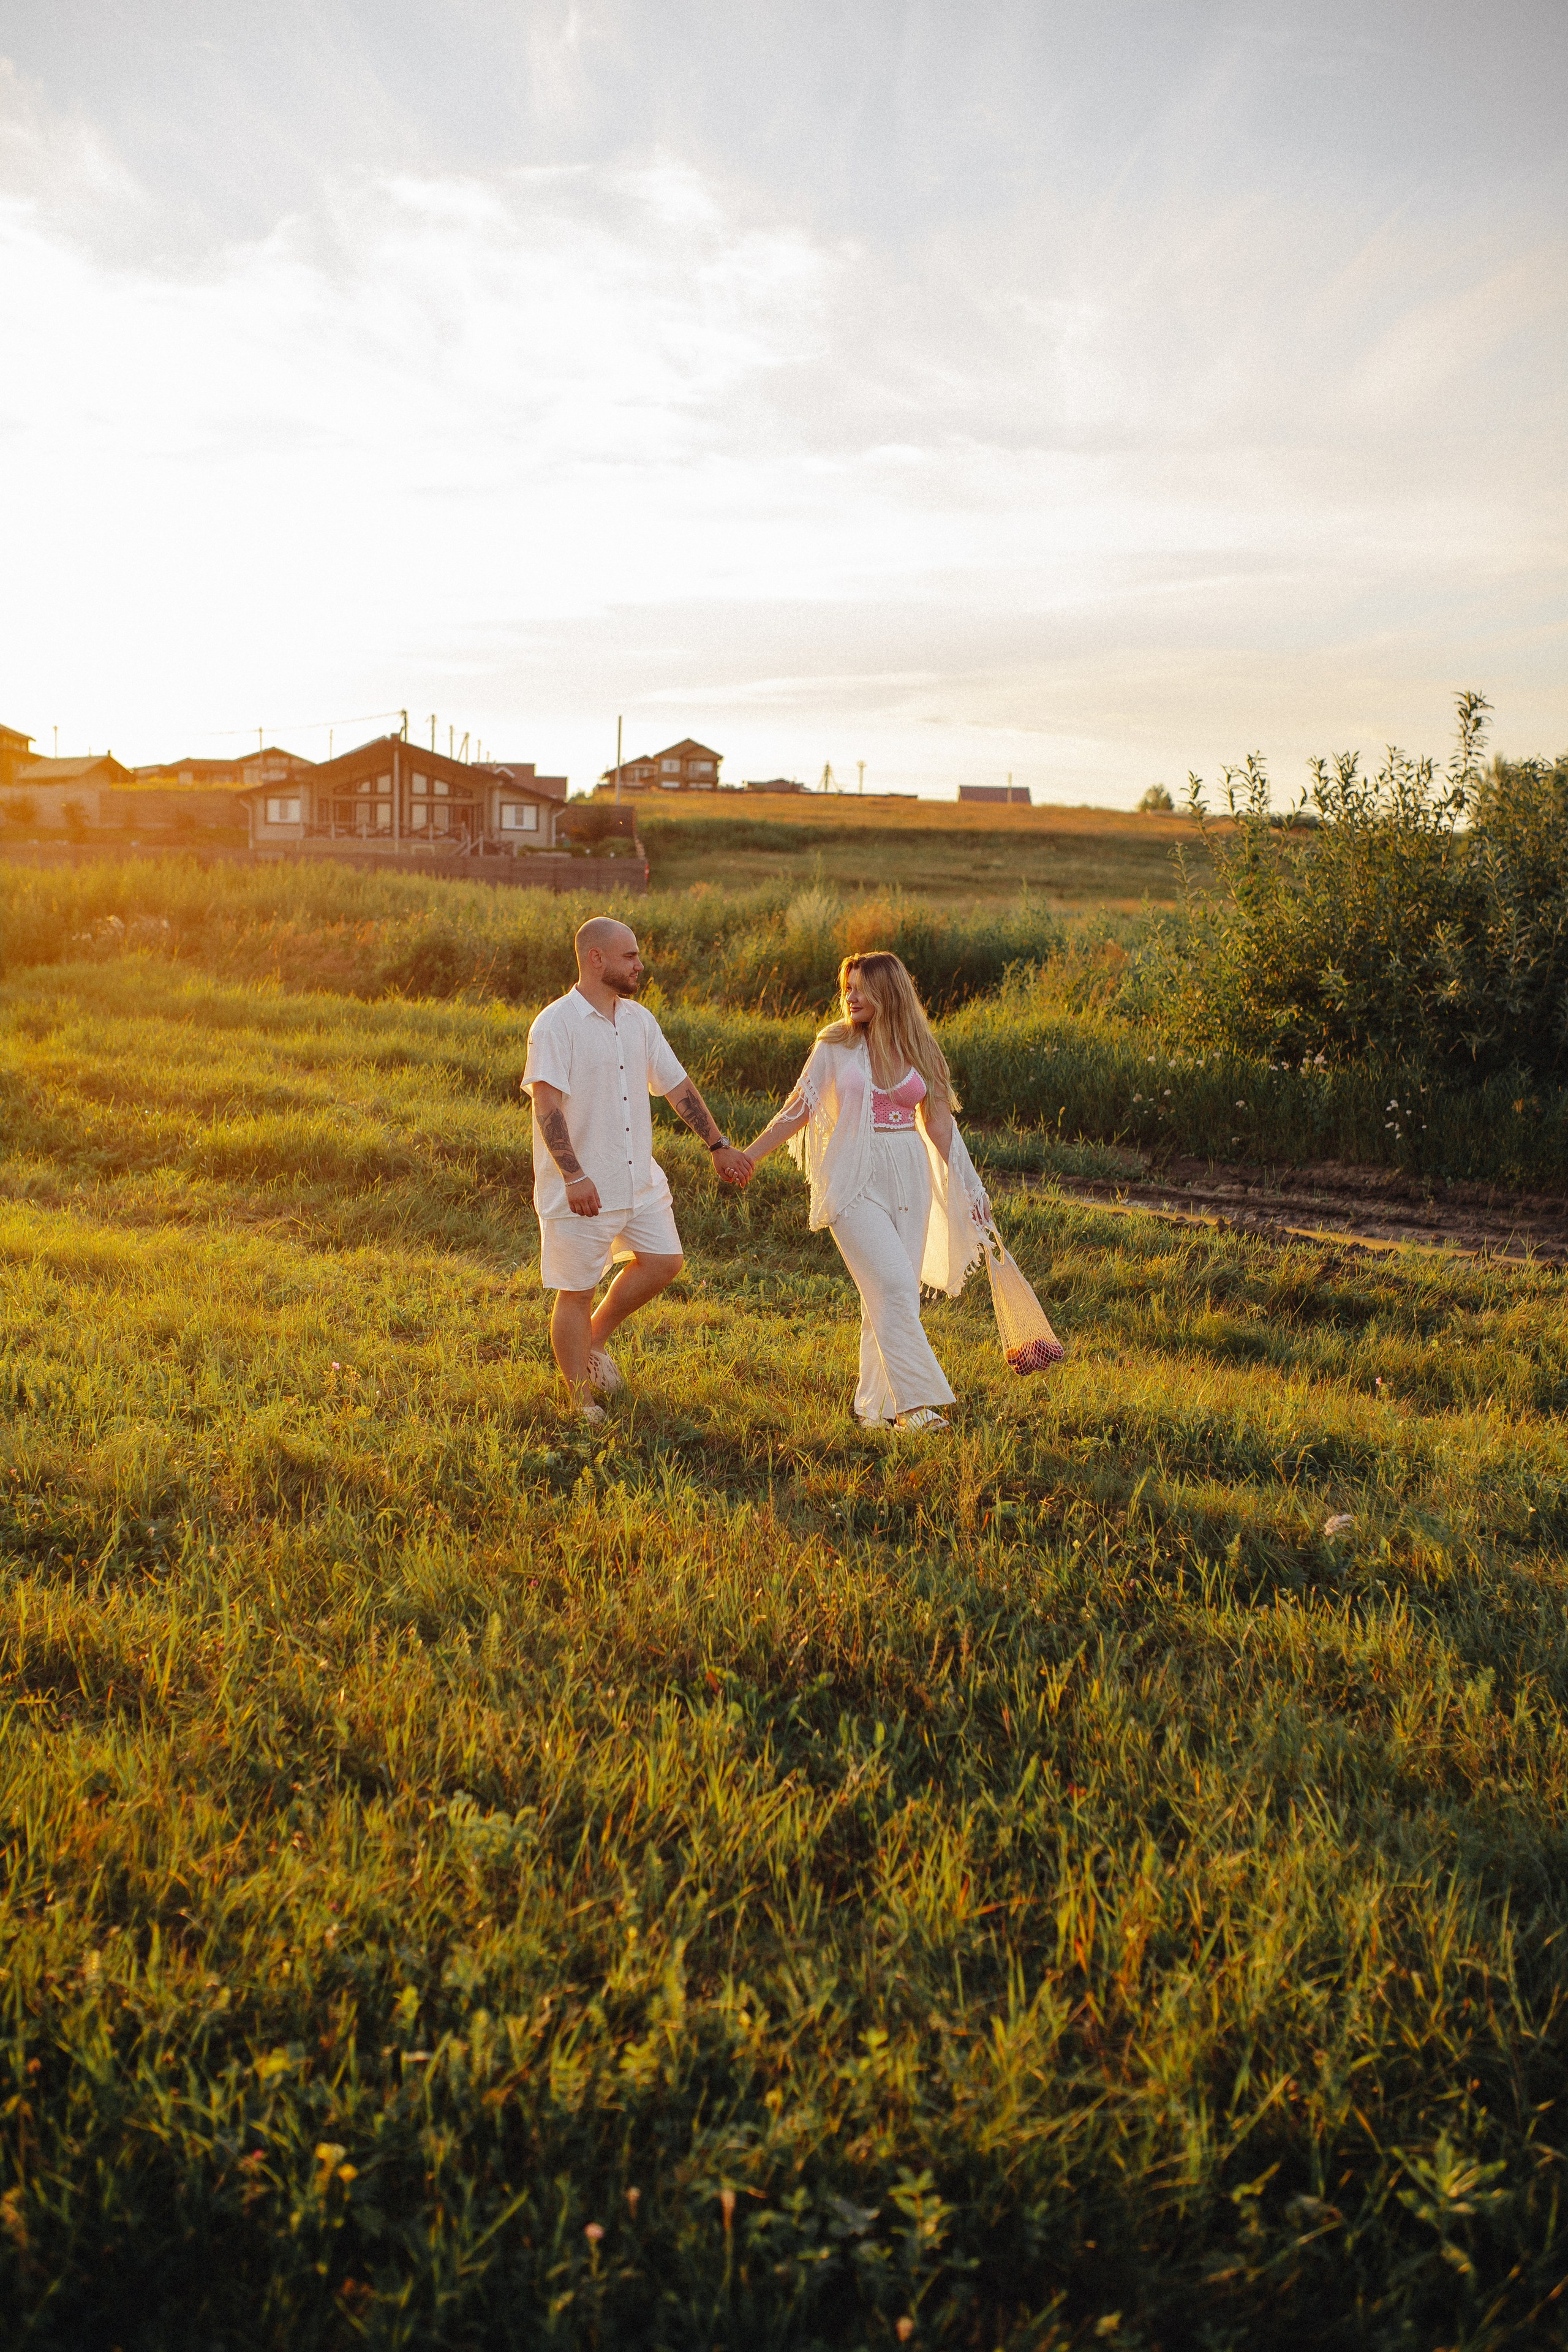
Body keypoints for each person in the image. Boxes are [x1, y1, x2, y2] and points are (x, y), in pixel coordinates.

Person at [739, 952, 989, 1431]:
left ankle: (871, 1409)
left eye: (860, 987)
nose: (849, 997)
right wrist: (750, 1156)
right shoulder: (834, 1046)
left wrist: (971, 1187)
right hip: (853, 1178)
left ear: (889, 991)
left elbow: (940, 1125)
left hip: (909, 1173)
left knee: (890, 1296)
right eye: (846, 988)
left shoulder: (922, 1048)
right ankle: (911, 1408)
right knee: (894, 1285)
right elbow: (799, 1110)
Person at [522, 916, 753, 1421]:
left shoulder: (639, 1020)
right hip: (584, 1187)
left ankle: (594, 1345)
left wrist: (718, 1144)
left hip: (639, 1180)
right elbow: (546, 1107)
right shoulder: (555, 1024)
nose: (640, 965)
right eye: (630, 956)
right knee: (576, 1291)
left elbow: (677, 1086)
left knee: (665, 1261)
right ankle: (579, 1399)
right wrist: (574, 1176)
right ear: (596, 959)